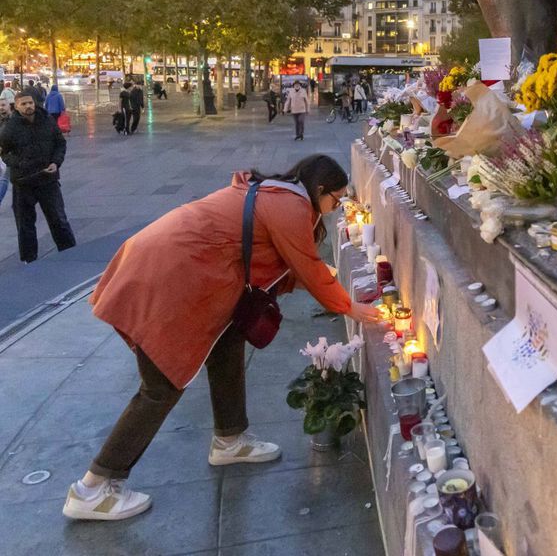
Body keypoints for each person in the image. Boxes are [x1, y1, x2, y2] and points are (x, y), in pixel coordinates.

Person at [61, 154, 380, 521]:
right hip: (165, 275)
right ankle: (93, 487)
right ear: (319, 189)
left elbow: (281, 261)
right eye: (336, 200)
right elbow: (305, 265)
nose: (334, 209)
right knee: (161, 383)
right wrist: (350, 307)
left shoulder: (282, 195)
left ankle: (230, 438)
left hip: (179, 269)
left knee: (228, 341)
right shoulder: (290, 205)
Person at [0, 93, 76, 262]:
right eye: (24, 104)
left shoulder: (47, 120)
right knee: (25, 224)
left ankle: (70, 253)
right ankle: (29, 259)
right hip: (23, 182)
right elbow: (5, 154)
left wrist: (56, 162)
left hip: (47, 179)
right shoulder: (10, 128)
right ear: (17, 106)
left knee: (58, 219)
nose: (28, 106)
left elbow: (60, 143)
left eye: (30, 103)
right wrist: (20, 163)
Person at [0, 99, 10, 207]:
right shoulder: (1, 120)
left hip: (11, 155)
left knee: (4, 178)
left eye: (3, 105)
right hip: (4, 156)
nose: (1, 107)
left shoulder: (13, 120)